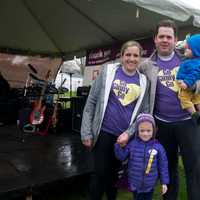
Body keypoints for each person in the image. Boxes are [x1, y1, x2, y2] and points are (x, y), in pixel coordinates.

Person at [80, 40, 149, 200]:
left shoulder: (144, 82)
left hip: (123, 139)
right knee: (99, 173)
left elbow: (143, 114)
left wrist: (129, 133)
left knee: (114, 176)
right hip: (103, 133)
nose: (131, 59)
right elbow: (91, 102)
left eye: (135, 55)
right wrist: (86, 132)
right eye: (128, 55)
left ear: (140, 58)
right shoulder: (108, 72)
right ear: (121, 56)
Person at [139, 19, 200, 200]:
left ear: (175, 40)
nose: (165, 40)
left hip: (188, 122)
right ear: (155, 39)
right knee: (167, 168)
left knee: (195, 168)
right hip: (161, 124)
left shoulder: (188, 59)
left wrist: (193, 86)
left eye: (169, 37)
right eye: (161, 36)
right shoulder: (146, 66)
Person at [114, 113, 169, 200]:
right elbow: (121, 157)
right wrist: (118, 146)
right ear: (137, 131)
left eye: (148, 131)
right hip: (135, 183)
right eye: (142, 131)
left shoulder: (158, 147)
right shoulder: (132, 144)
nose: (145, 134)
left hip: (150, 184)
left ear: (153, 131)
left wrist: (164, 182)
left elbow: (163, 166)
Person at [176, 34, 200, 123]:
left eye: (188, 48)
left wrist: (186, 83)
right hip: (190, 86)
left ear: (196, 51)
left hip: (187, 87)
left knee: (184, 99)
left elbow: (194, 74)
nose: (185, 50)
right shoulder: (189, 60)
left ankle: (194, 115)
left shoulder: (195, 63)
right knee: (197, 100)